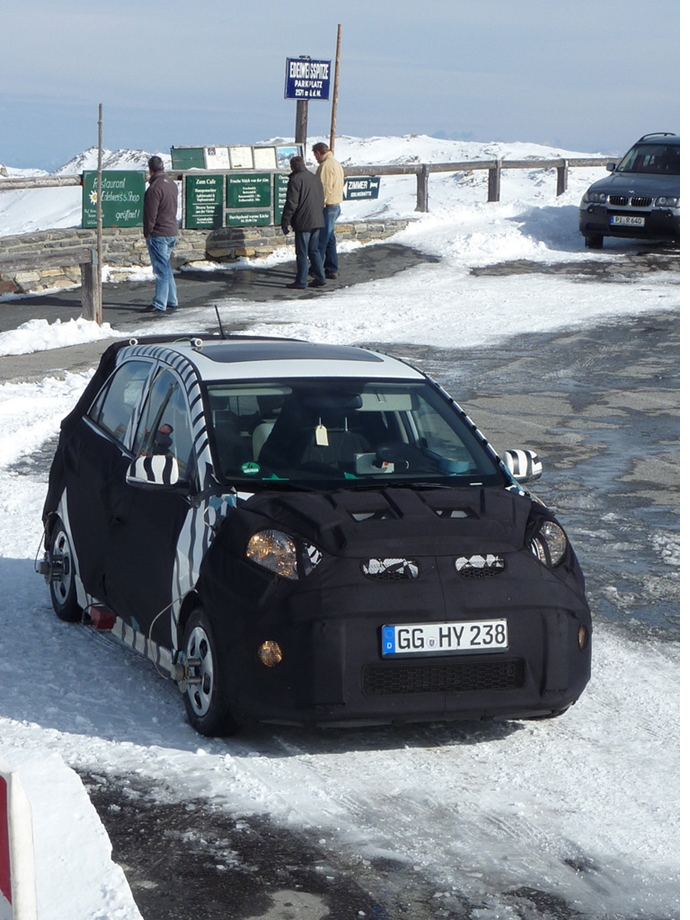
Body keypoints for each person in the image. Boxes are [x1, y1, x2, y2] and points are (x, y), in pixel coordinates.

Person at [280, 156, 326, 290]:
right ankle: (320, 277)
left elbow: (292, 203)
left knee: (302, 252)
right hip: (317, 219)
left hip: (303, 221)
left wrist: (285, 221)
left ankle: (301, 281)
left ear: (291, 167)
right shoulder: (314, 178)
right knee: (314, 250)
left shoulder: (295, 179)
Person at [142, 156, 179, 313]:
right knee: (166, 267)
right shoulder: (171, 184)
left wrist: (148, 233)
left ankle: (159, 303)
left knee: (161, 270)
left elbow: (151, 215)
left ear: (150, 170)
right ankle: (172, 300)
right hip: (172, 231)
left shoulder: (154, 189)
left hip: (159, 233)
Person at [312, 142, 344, 279]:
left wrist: (319, 206)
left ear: (319, 153)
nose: (315, 158)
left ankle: (315, 270)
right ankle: (331, 268)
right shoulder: (336, 163)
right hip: (336, 204)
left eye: (315, 155)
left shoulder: (325, 166)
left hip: (327, 206)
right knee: (330, 239)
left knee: (322, 240)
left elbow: (324, 188)